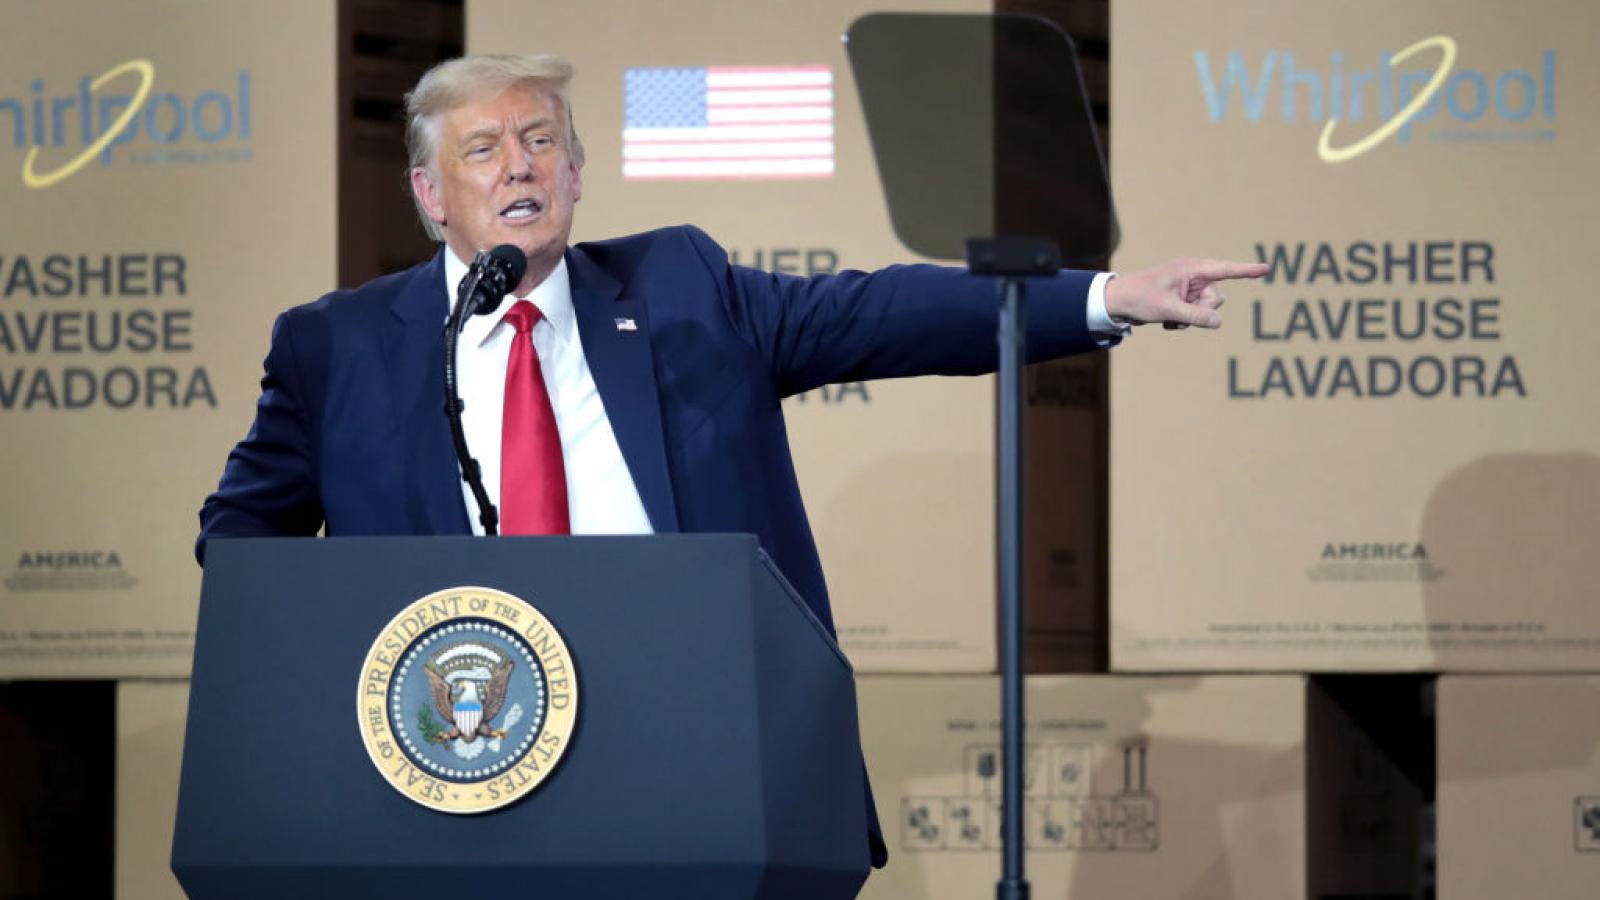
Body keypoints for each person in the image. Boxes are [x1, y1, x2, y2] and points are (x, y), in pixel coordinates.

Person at [197, 54, 1266, 869]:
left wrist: (1107, 297)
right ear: (430, 195)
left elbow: (878, 313)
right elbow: (242, 546)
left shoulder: (682, 291)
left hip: (683, 752)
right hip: (451, 774)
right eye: (483, 149)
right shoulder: (336, 346)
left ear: (575, 173)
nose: (519, 164)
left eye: (540, 141)